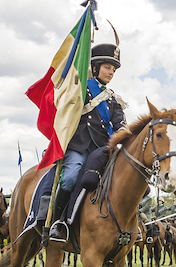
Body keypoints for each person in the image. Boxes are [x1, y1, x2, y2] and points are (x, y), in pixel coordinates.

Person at [49, 42, 127, 241]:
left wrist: (124, 133)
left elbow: (120, 124)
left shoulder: (112, 99)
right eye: (108, 67)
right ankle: (58, 223)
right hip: (79, 146)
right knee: (70, 178)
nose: (111, 72)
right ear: (95, 68)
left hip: (101, 149)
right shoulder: (80, 90)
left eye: (114, 69)